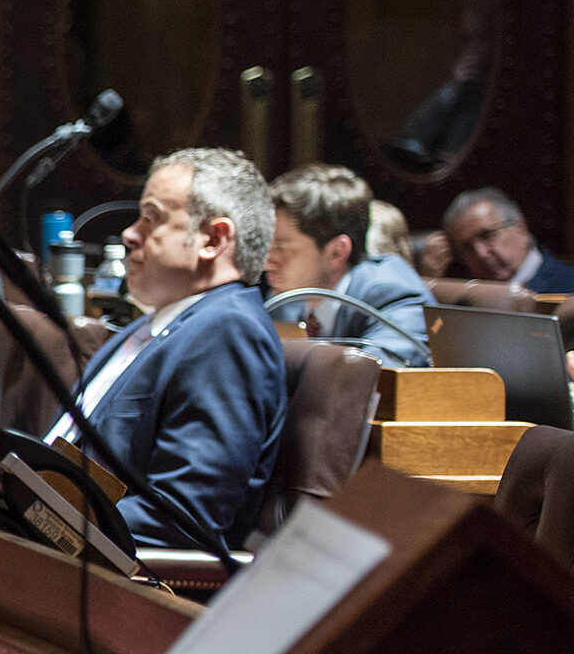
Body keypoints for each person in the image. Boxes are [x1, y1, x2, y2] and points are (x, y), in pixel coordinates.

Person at [51, 147, 286, 548]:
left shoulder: (228, 332)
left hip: (112, 580)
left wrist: (40, 515)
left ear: (213, 239)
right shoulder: (154, 324)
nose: (129, 233)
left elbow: (184, 515)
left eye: (153, 217)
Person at [266, 164, 430, 367]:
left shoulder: (393, 294)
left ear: (337, 252)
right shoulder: (286, 300)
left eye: (281, 248)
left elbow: (373, 382)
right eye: (268, 246)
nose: (267, 263)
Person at [442, 188, 574, 294]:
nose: (481, 253)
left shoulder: (569, 286)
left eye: (487, 235)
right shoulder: (465, 302)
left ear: (521, 228)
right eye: (467, 247)